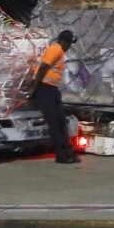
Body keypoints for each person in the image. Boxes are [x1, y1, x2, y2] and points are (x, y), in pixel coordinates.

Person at [29, 29, 79, 164]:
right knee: (55, 122)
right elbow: (43, 68)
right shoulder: (55, 49)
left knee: (61, 121)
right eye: (69, 43)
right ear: (63, 41)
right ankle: (61, 154)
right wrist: (33, 90)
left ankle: (67, 152)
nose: (69, 47)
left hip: (51, 90)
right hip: (44, 89)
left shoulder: (59, 52)